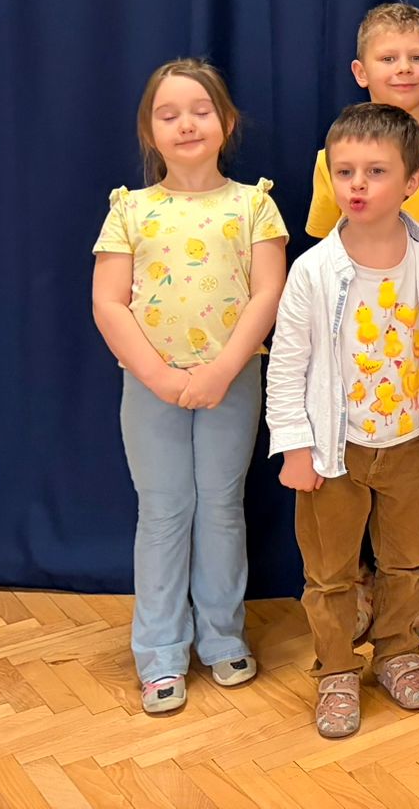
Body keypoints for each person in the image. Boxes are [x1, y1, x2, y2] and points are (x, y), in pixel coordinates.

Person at [266, 103, 419, 738]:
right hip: (334, 449)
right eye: (345, 171)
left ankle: (397, 651)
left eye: (376, 171)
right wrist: (294, 446)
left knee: (408, 560)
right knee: (330, 571)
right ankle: (335, 667)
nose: (356, 184)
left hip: (411, 440)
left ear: (412, 181)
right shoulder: (313, 269)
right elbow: (287, 364)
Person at [92, 59, 288, 715]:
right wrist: (160, 376)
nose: (186, 124)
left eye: (200, 111)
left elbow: (267, 293)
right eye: (169, 114)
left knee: (222, 506)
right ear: (149, 131)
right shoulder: (131, 209)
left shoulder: (254, 204)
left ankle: (223, 636)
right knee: (164, 510)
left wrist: (221, 370)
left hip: (231, 380)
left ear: (226, 122)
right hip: (151, 387)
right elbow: (109, 302)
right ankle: (159, 652)